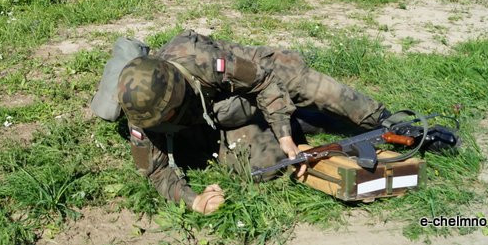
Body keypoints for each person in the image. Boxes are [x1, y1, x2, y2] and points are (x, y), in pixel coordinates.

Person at [117, 30, 391, 215]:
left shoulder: (202, 61)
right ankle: (299, 122)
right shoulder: (143, 113)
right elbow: (156, 171)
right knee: (266, 166)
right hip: (225, 118)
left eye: (166, 115)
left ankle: (386, 120)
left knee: (315, 88)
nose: (160, 122)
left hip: (257, 79)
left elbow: (264, 80)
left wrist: (283, 134)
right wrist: (194, 200)